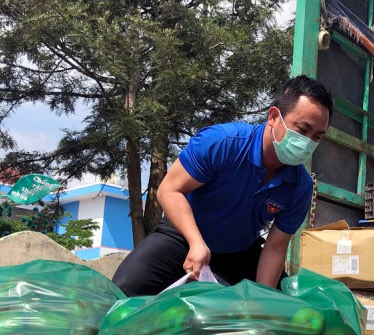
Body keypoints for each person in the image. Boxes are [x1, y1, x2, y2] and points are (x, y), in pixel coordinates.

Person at [112, 75, 332, 296]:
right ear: (274, 116)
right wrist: (196, 243)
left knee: (285, 312)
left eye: (317, 137)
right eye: (303, 130)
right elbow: (169, 189)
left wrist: (262, 300)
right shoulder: (223, 143)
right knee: (123, 291)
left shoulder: (300, 186)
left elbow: (275, 248)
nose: (308, 143)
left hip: (240, 251)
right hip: (184, 237)